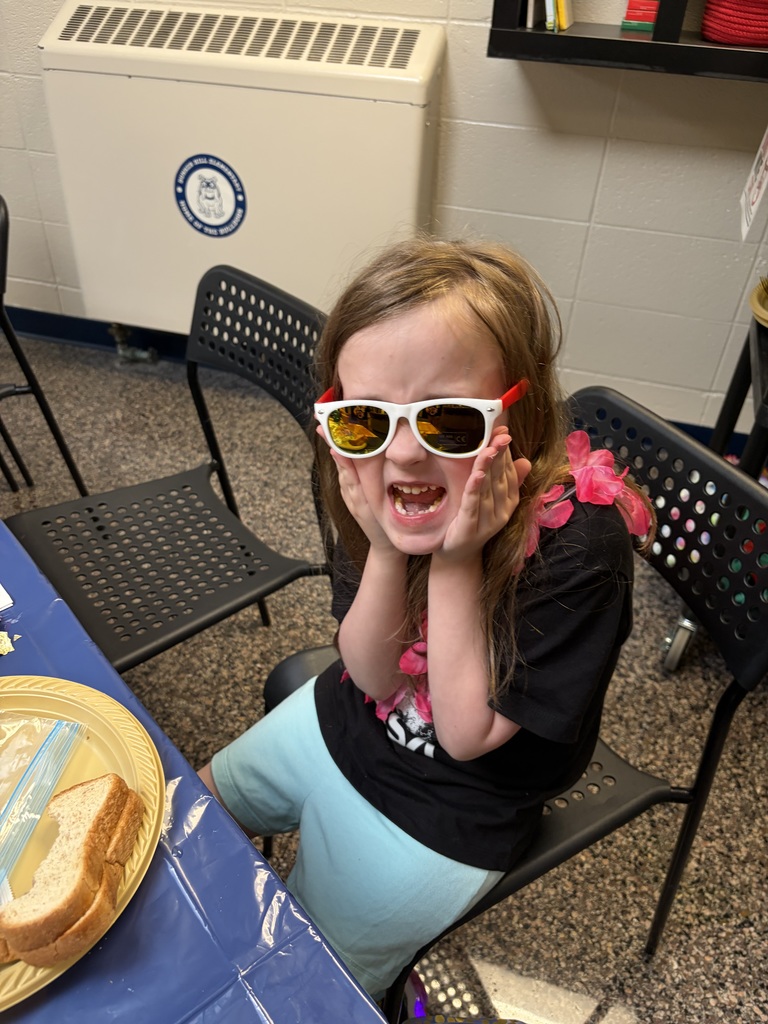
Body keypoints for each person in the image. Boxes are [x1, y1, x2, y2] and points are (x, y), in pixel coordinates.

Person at [198, 237, 654, 1000]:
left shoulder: (584, 548)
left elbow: (467, 737)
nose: (402, 456)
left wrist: (453, 557)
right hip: (348, 720)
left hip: (454, 805)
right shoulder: (367, 473)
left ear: (522, 409)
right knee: (184, 819)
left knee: (302, 981)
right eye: (364, 419)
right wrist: (382, 544)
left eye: (445, 420)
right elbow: (371, 675)